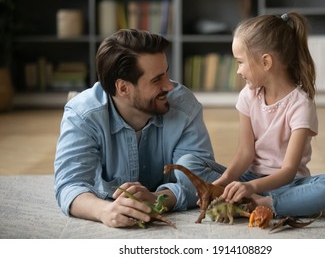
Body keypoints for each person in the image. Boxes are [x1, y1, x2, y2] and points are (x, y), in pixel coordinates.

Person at [54, 29, 223, 228]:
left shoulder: (184, 106)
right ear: (123, 88)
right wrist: (104, 211)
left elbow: (199, 183)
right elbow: (69, 185)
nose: (169, 85)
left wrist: (157, 198)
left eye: (166, 73)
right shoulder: (83, 114)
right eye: (157, 79)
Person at [211, 12, 325, 217]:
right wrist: (225, 180)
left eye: (240, 62)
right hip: (250, 178)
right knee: (193, 165)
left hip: (287, 184)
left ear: (266, 62)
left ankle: (269, 204)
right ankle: (249, 201)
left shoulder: (300, 105)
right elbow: (245, 153)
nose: (238, 71)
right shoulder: (248, 96)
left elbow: (289, 170)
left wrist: (252, 188)